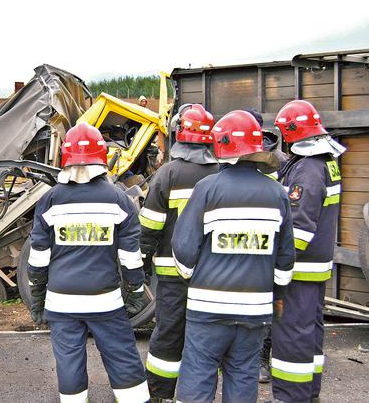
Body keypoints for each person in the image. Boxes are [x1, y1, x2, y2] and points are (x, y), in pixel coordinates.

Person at [171, 110, 295, 403]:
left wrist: (192, 277)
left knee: (198, 379)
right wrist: (272, 292)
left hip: (208, 311)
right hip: (255, 311)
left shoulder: (207, 189)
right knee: (242, 378)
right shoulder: (278, 193)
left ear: (221, 145)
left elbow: (184, 251)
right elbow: (285, 260)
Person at [28, 122, 150, 403]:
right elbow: (131, 258)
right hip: (105, 301)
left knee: (68, 362)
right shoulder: (119, 201)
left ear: (65, 157)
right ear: (102, 156)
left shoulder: (50, 201)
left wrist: (37, 300)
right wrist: (135, 295)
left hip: (61, 302)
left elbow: (38, 258)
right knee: (122, 357)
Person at [139, 104, 218, 403]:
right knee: (203, 336)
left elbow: (149, 227)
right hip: (211, 274)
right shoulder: (223, 172)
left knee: (169, 333)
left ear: (179, 133)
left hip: (172, 275)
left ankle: (159, 393)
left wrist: (142, 265)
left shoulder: (167, 174)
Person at [271, 100, 345, 403]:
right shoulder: (324, 160)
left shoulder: (308, 169)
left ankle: (292, 396)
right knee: (309, 332)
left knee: (292, 336)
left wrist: (278, 266)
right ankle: (308, 393)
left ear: (291, 131)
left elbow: (298, 230)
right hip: (315, 267)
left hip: (299, 270)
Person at [243, 107, 289, 383]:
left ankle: (261, 359)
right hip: (257, 241)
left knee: (266, 305)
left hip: (264, 241)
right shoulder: (238, 156)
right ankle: (254, 359)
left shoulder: (278, 161)